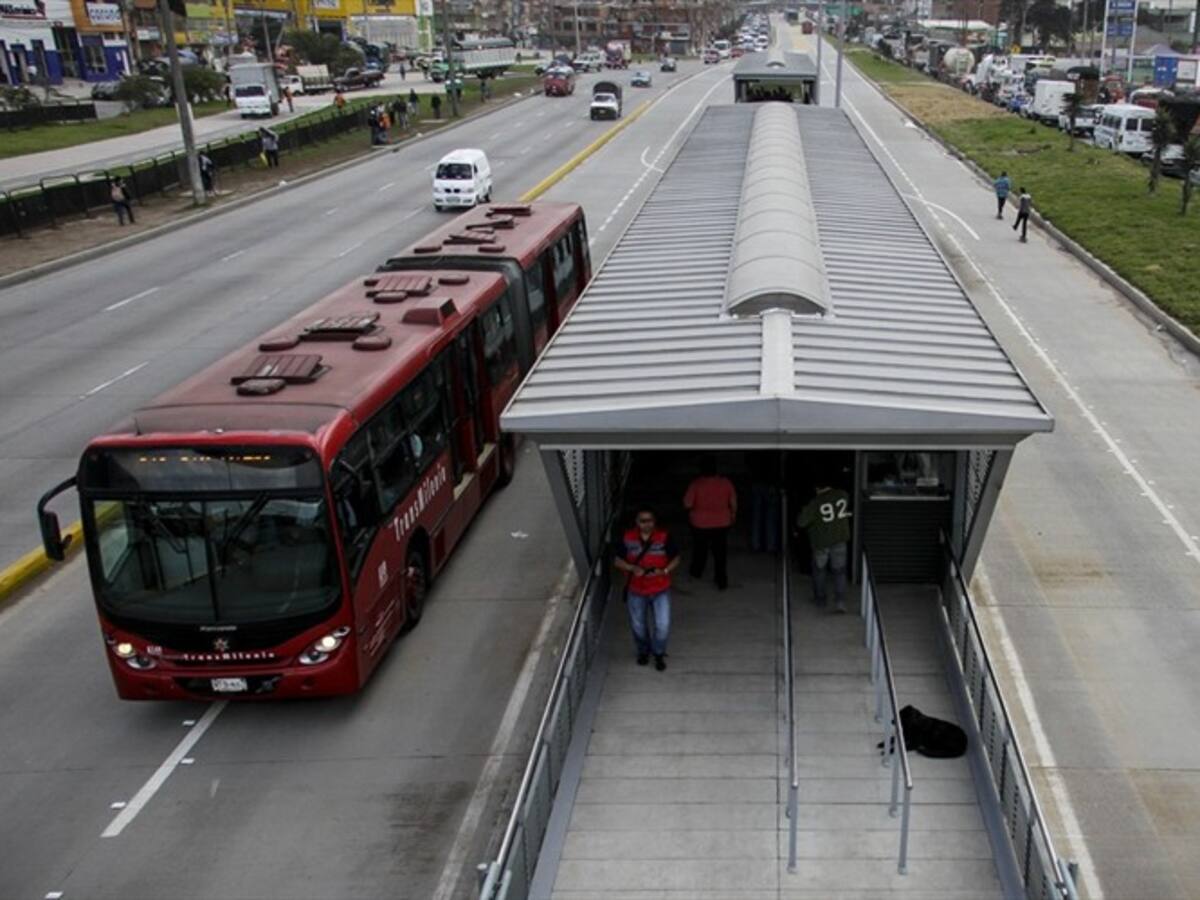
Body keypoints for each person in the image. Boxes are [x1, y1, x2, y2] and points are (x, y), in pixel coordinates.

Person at [613, 508, 680, 671]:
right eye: (642, 520)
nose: (646, 524)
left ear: (654, 521)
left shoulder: (664, 537)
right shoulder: (627, 538)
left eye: (649, 520)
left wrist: (664, 571)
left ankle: (658, 653)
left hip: (660, 588)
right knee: (638, 625)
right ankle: (643, 651)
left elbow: (676, 557)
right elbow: (616, 560)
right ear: (637, 522)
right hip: (636, 590)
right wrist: (631, 568)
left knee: (663, 625)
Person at [796, 479, 852, 612]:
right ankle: (840, 602)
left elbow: (801, 522)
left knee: (819, 571)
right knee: (840, 572)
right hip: (840, 539)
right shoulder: (843, 494)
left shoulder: (815, 503)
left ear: (817, 488)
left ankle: (820, 600)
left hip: (821, 542)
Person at [683, 455, 736, 590]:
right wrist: (733, 514)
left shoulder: (696, 484)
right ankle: (721, 579)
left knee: (700, 550)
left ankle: (697, 571)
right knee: (720, 553)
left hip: (700, 523)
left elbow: (687, 503)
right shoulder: (726, 483)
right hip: (722, 522)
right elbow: (733, 502)